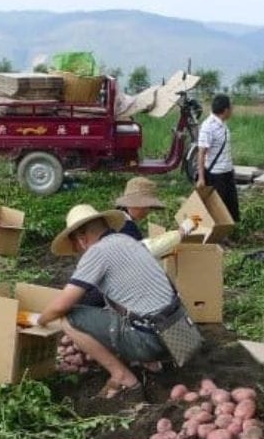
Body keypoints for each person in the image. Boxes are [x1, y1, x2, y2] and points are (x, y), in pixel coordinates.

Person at [34, 205, 195, 399]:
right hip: (182, 336)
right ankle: (153, 364)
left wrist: (39, 321)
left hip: (152, 342)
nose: (78, 251)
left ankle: (123, 378)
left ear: (82, 238)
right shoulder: (128, 241)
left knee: (67, 318)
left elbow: (60, 306)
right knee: (116, 304)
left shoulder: (98, 253)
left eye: (76, 246)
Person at [196, 94, 239, 223]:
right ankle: (218, 237)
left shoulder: (222, 124)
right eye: (231, 107)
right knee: (218, 208)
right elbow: (201, 153)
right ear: (225, 110)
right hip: (216, 175)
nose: (232, 110)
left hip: (227, 172)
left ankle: (226, 234)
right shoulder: (208, 126)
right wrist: (201, 178)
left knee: (230, 205)